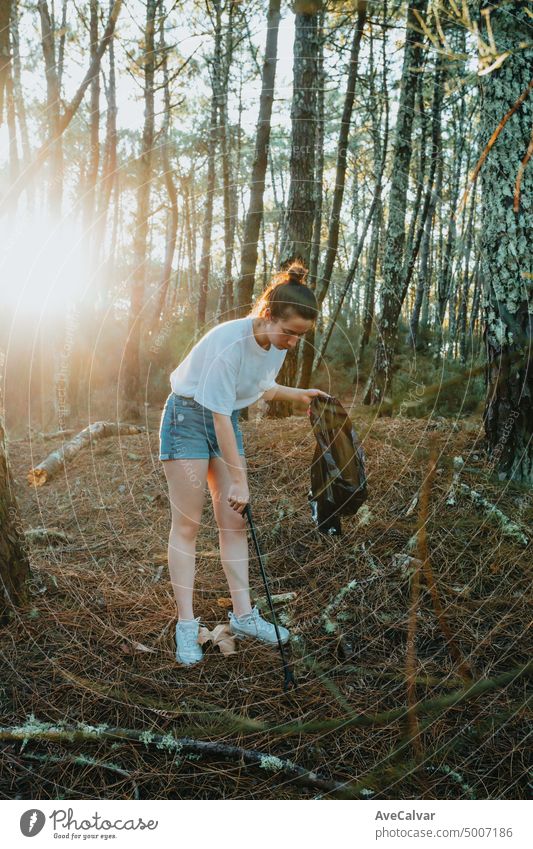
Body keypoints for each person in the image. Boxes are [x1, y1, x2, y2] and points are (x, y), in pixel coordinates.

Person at [159, 262, 328, 665]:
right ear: (268, 315)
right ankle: (186, 627)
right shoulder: (229, 342)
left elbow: (260, 387)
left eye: (300, 336)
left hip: (223, 417)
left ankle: (245, 616)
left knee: (233, 522)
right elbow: (217, 416)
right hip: (187, 418)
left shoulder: (275, 344)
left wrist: (297, 394)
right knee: (188, 524)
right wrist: (239, 481)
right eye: (289, 331)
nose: (292, 342)